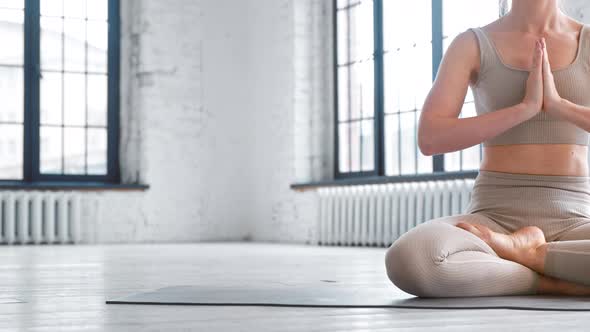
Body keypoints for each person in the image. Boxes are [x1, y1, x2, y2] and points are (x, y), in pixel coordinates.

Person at [385, 0, 590, 297]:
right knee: (411, 260)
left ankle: (530, 255)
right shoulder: (471, 44)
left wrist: (559, 106)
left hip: (575, 219)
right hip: (492, 219)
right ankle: (550, 278)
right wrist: (524, 109)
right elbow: (431, 137)